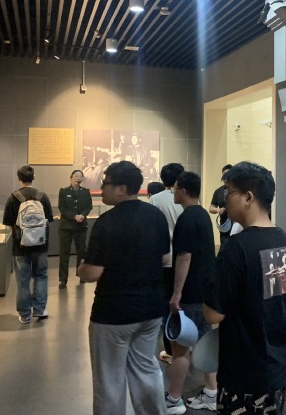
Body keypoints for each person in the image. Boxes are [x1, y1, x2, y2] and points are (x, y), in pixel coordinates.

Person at [203, 162, 286, 415]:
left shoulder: (236, 248)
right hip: (277, 366)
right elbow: (273, 302)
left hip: (244, 371)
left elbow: (213, 314)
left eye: (229, 191)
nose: (225, 198)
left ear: (248, 197)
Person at [78, 161, 170, 415]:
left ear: (122, 188)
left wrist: (81, 268)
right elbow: (164, 258)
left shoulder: (106, 223)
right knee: (147, 370)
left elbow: (93, 273)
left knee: (109, 380)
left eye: (105, 184)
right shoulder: (155, 216)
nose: (102, 189)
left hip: (113, 314)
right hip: (151, 310)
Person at [165, 172, 217, 414]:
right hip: (205, 292)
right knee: (206, 344)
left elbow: (184, 256)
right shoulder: (203, 215)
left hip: (190, 294)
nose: (173, 192)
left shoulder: (186, 218)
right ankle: (212, 392)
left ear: (184, 191)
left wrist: (177, 293)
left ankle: (174, 399)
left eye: (175, 188)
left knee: (180, 348)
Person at [2, 165, 54, 323]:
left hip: (21, 247)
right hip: (41, 245)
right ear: (33, 177)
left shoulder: (13, 198)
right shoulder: (42, 196)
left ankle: (24, 315)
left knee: (23, 281)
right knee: (41, 276)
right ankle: (39, 309)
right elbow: (49, 220)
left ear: (19, 178)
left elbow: (9, 224)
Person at [149, 163, 185, 363]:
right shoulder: (187, 198)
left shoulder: (155, 199)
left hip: (164, 258)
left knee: (166, 303)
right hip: (184, 257)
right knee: (183, 301)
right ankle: (185, 344)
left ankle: (170, 349)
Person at [57, 169, 93, 289]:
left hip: (81, 226)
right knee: (64, 253)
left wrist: (83, 215)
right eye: (76, 175)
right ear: (71, 177)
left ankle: (81, 274)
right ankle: (62, 279)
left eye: (80, 176)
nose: (78, 178)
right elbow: (62, 208)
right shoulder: (64, 191)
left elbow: (89, 206)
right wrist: (74, 216)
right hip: (66, 226)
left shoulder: (85, 192)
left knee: (81, 251)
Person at [209, 164, 233, 246]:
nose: (225, 177)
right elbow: (211, 208)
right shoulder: (218, 191)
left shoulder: (239, 190)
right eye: (223, 174)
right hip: (225, 226)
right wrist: (218, 210)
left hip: (238, 225)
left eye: (228, 174)